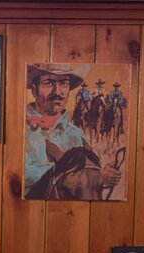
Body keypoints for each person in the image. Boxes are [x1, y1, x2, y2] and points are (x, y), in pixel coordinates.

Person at [24, 63, 121, 200]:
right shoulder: (18, 127)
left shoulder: (77, 134)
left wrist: (100, 174)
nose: (57, 92)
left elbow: (89, 176)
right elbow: (20, 175)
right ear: (34, 90)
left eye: (64, 83)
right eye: (48, 83)